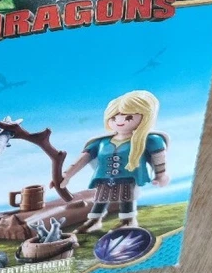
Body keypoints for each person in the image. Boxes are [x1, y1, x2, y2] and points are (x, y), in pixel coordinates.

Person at [59, 90, 169, 233]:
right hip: (104, 178)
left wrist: (161, 175)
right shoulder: (101, 142)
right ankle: (94, 221)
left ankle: (128, 221)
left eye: (128, 117)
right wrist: (67, 174)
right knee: (101, 198)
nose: (120, 121)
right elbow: (84, 157)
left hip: (129, 177)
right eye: (114, 117)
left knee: (127, 198)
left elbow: (158, 157)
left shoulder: (145, 140)